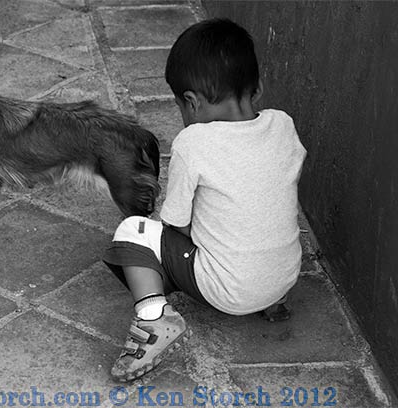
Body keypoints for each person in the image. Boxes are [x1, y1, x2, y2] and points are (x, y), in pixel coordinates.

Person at [103, 18, 307, 382]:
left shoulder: (193, 143)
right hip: (284, 276)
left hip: (229, 293)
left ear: (192, 103)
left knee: (133, 232)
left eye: (181, 107)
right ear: (257, 88)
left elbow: (176, 224)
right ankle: (273, 302)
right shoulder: (283, 125)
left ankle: (154, 319)